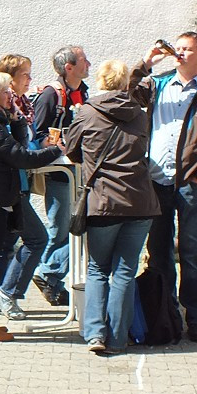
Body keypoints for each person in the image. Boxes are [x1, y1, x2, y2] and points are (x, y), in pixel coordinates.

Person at [132, 33, 197, 342]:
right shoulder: (158, 84)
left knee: (193, 252)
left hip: (192, 183)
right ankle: (166, 313)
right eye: (177, 48)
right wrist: (146, 63)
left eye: (186, 49)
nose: (179, 53)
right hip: (156, 180)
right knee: (159, 252)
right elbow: (127, 93)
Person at [63, 60, 160, 355]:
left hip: (104, 202)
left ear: (102, 81)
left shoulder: (87, 112)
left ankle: (94, 334)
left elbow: (70, 150)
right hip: (141, 202)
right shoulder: (140, 115)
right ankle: (118, 338)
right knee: (125, 271)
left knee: (98, 269)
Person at [0, 72, 63, 341]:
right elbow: (20, 157)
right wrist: (57, 150)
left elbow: (17, 149)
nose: (11, 96)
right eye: (6, 91)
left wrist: (18, 122)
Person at [0, 54, 50, 321]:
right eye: (25, 74)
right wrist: (43, 149)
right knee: (37, 239)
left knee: (6, 243)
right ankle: (6, 293)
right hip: (11, 186)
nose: (30, 79)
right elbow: (19, 149)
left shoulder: (22, 105)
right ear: (10, 78)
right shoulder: (7, 109)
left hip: (16, 185)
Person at [32, 45, 91, 307]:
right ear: (69, 68)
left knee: (75, 229)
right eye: (83, 60)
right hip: (60, 173)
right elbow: (38, 135)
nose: (88, 63)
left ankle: (49, 276)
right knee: (61, 230)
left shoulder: (83, 92)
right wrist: (58, 144)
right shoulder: (50, 95)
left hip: (78, 171)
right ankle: (46, 273)